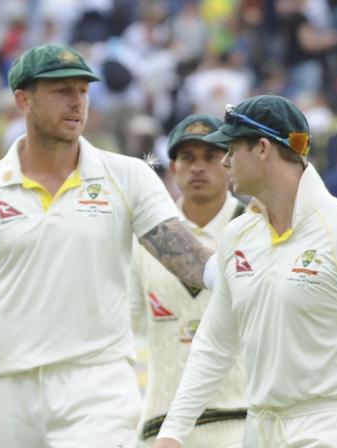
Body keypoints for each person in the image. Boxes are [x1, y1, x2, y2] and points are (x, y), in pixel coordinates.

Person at [0, 44, 214, 448]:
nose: (76, 102)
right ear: (23, 100)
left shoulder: (128, 175)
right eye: (61, 91)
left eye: (82, 91)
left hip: (96, 385)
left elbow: (189, 259)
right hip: (4, 389)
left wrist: (242, 273)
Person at [155, 95, 337, 447]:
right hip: (260, 428)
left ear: (262, 148)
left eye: (231, 149)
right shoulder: (239, 236)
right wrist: (172, 432)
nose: (226, 161)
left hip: (332, 427)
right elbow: (215, 345)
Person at [130, 115, 247, 447]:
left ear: (229, 163)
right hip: (159, 426)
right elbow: (122, 327)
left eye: (210, 157)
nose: (198, 167)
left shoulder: (255, 230)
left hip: (241, 421)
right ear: (173, 166)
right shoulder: (144, 238)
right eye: (188, 157)